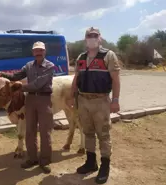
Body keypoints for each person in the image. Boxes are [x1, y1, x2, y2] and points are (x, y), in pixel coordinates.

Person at [68, 27, 121, 184]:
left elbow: (116, 80)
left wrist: (116, 100)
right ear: (85, 39)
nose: (91, 38)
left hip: (101, 101)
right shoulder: (81, 57)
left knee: (103, 134)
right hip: (83, 100)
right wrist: (71, 97)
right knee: (88, 132)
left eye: (94, 35)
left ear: (100, 38)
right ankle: (91, 162)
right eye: (88, 35)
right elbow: (76, 78)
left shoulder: (108, 55)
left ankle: (105, 166)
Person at [0, 41, 55, 174]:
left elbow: (38, 84)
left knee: (45, 131)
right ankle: (32, 158)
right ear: (33, 52)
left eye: (41, 50)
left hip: (44, 99)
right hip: (30, 99)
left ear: (44, 52)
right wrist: (1, 74)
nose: (38, 52)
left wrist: (19, 87)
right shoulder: (29, 66)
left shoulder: (50, 66)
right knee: (30, 130)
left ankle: (45, 161)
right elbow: (15, 76)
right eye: (36, 50)